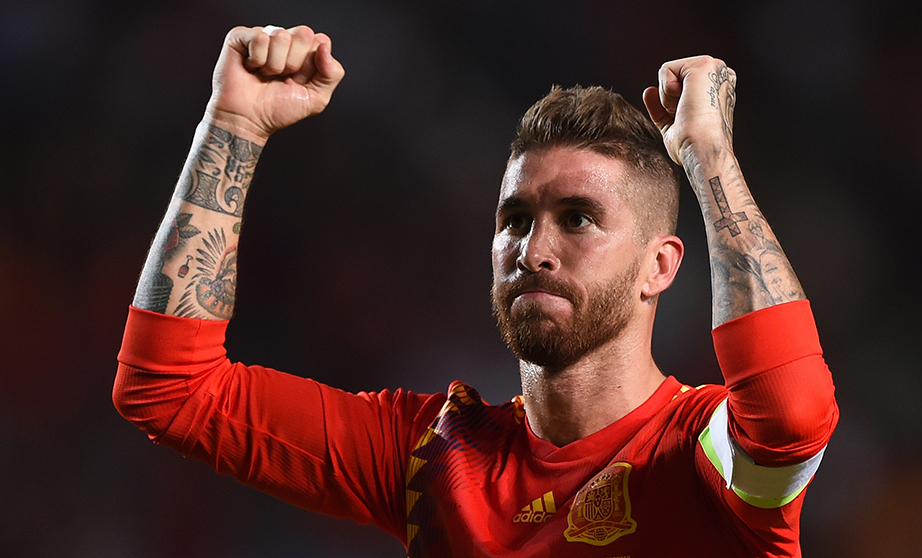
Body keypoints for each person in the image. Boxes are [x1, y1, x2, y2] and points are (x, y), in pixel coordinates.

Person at [114, 24, 838, 557]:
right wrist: (233, 125)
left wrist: (708, 157)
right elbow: (169, 390)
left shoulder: (702, 452)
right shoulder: (435, 454)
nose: (533, 249)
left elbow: (793, 413)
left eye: (578, 219)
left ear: (660, 266)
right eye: (515, 219)